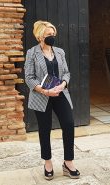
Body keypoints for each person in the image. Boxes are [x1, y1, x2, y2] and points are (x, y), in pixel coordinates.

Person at [24, 21, 80, 180]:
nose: (52, 37)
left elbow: (67, 73)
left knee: (69, 124)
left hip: (60, 93)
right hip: (41, 95)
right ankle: (47, 162)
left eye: (53, 34)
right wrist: (43, 90)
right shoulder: (32, 53)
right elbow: (29, 78)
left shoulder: (60, 52)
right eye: (49, 34)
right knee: (44, 129)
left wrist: (63, 84)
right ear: (40, 35)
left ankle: (68, 163)